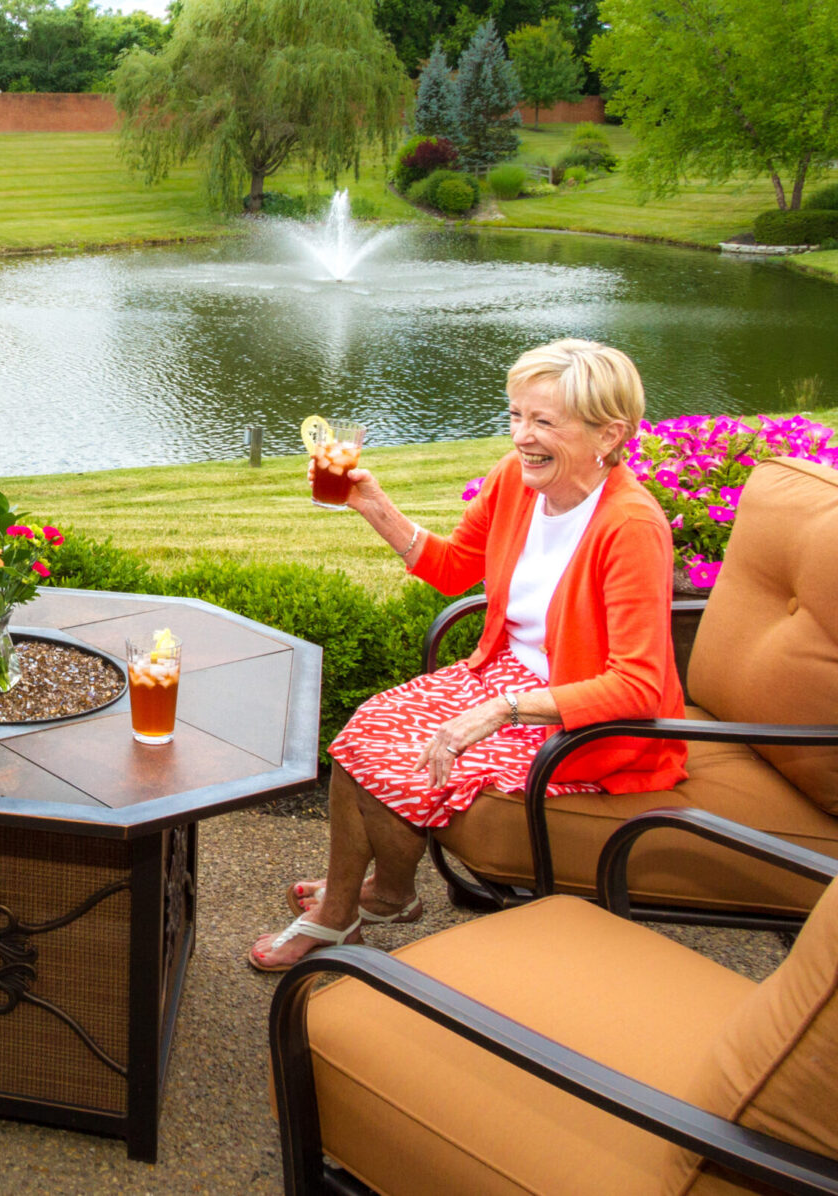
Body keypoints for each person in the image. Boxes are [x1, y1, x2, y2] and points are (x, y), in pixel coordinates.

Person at [249, 339, 688, 971]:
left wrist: (499, 712)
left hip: (585, 721)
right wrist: (372, 504)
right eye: (515, 416)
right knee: (363, 728)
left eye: (543, 421)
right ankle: (389, 894)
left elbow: (638, 685)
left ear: (608, 433)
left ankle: (336, 916)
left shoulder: (631, 527)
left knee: (401, 760)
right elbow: (456, 570)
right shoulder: (517, 481)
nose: (521, 437)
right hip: (510, 677)